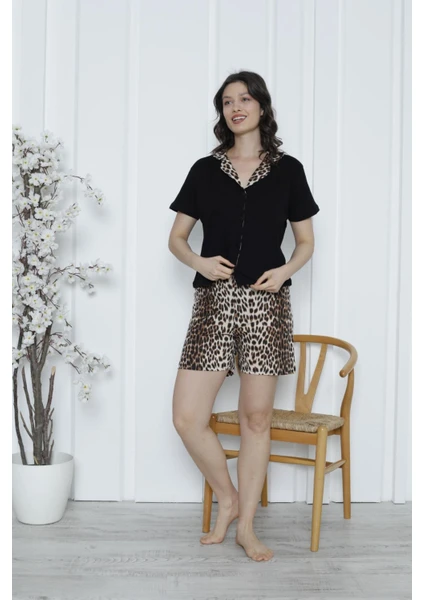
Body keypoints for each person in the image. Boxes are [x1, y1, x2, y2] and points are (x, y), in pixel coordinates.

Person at [168, 71, 320, 562]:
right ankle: (228, 498)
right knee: (187, 417)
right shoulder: (204, 170)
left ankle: (247, 527)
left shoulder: (289, 170)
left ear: (261, 107)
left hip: (265, 303)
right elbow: (176, 238)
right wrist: (199, 262)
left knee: (257, 419)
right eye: (228, 101)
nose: (236, 107)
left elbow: (305, 242)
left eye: (245, 99)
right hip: (213, 303)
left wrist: (285, 272)